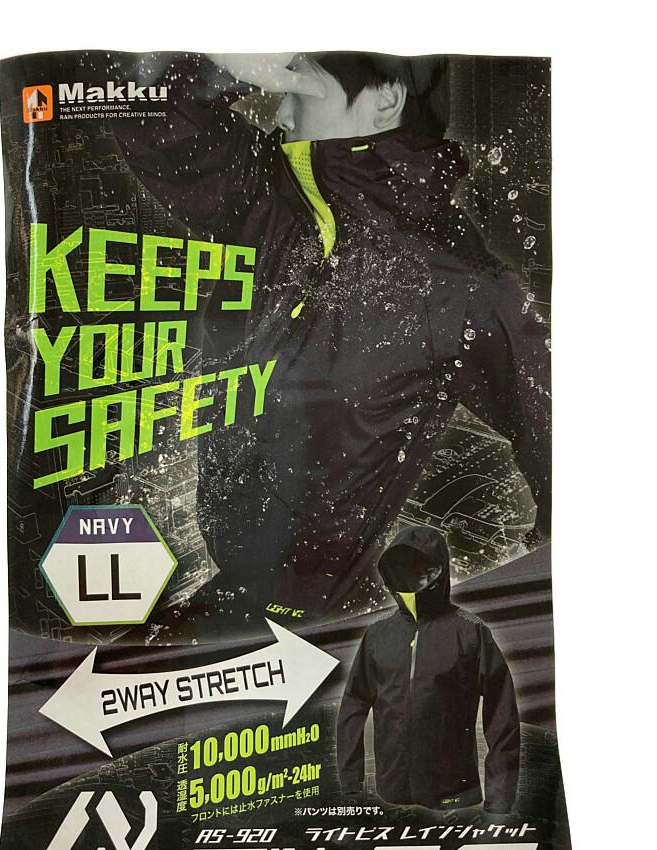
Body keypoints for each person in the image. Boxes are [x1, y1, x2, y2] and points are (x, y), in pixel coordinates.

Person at [111, 52, 551, 627]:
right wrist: (227, 68)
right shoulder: (266, 196)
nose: (280, 113)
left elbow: (556, 437)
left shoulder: (458, 283)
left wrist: (520, 597)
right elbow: (148, 116)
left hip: (316, 620)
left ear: (385, 101)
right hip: (231, 586)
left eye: (302, 88)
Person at [336, 524, 520, 811]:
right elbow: (354, 702)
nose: (411, 577)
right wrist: (350, 779)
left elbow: (501, 712)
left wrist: (500, 797)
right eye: (402, 568)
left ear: (439, 572)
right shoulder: (378, 635)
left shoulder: (469, 631)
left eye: (421, 568)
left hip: (454, 794)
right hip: (391, 790)